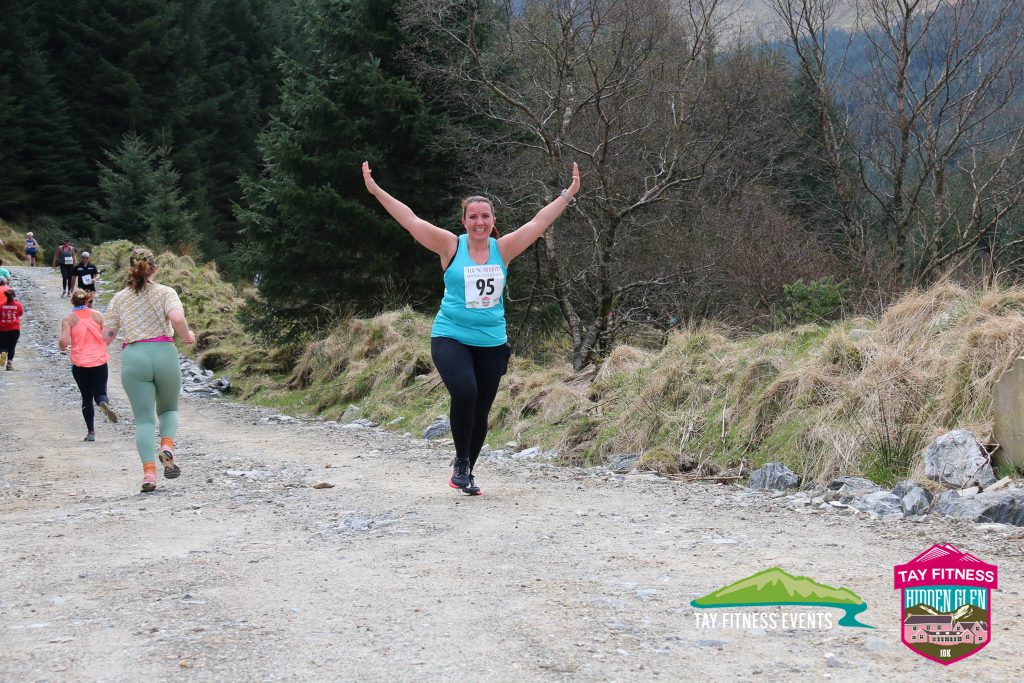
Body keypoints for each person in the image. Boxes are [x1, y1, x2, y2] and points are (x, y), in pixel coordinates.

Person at [362, 160, 580, 495]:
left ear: (493, 220)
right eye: (473, 217)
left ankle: (467, 471)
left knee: (481, 409)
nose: (480, 222)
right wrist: (376, 190)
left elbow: (539, 222)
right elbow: (410, 220)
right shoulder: (450, 245)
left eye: (485, 216)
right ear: (464, 221)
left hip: (492, 341)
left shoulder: (503, 249)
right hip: (450, 335)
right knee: (466, 393)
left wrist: (568, 193)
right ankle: (461, 462)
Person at [102, 248, 196, 493]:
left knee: (144, 420)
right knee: (169, 409)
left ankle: (149, 474)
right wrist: (188, 336)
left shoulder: (119, 298)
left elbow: (107, 336)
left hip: (134, 357)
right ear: (155, 269)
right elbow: (177, 318)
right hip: (163, 353)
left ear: (131, 269)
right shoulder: (166, 292)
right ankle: (167, 446)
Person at [59, 289, 118, 441]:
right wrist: (104, 344)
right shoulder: (98, 315)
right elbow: (110, 333)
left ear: (72, 301)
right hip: (99, 361)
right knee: (100, 391)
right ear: (87, 300)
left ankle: (91, 432)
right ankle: (102, 402)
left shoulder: (68, 319)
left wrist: (62, 347)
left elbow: (64, 342)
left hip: (80, 363)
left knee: (86, 397)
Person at [0, 288, 24, 371]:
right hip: (14, 329)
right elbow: (20, 314)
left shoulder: (1, 305)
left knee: (2, 345)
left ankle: (3, 352)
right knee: (12, 346)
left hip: (3, 329)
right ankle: (9, 364)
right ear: (14, 296)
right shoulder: (18, 305)